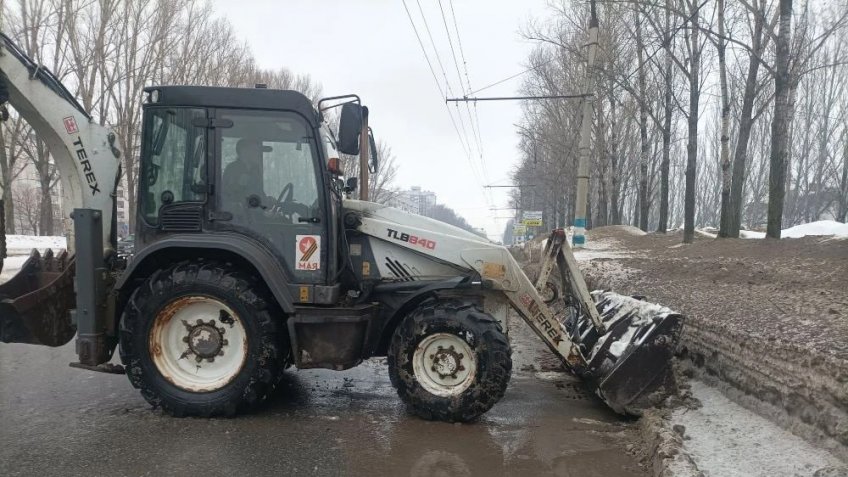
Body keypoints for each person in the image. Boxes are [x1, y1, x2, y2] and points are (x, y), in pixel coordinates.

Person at [222, 138, 266, 209]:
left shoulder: (255, 170)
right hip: (239, 215)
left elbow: (259, 193)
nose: (258, 153)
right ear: (244, 151)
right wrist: (239, 184)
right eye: (255, 150)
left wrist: (268, 200)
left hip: (255, 212)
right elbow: (226, 194)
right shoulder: (232, 169)